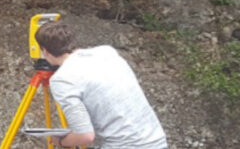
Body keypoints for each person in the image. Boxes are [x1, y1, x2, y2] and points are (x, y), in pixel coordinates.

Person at [35, 22, 168, 149]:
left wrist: (61, 142)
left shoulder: (62, 79)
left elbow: (85, 136)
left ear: (45, 51)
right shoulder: (107, 52)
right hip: (157, 142)